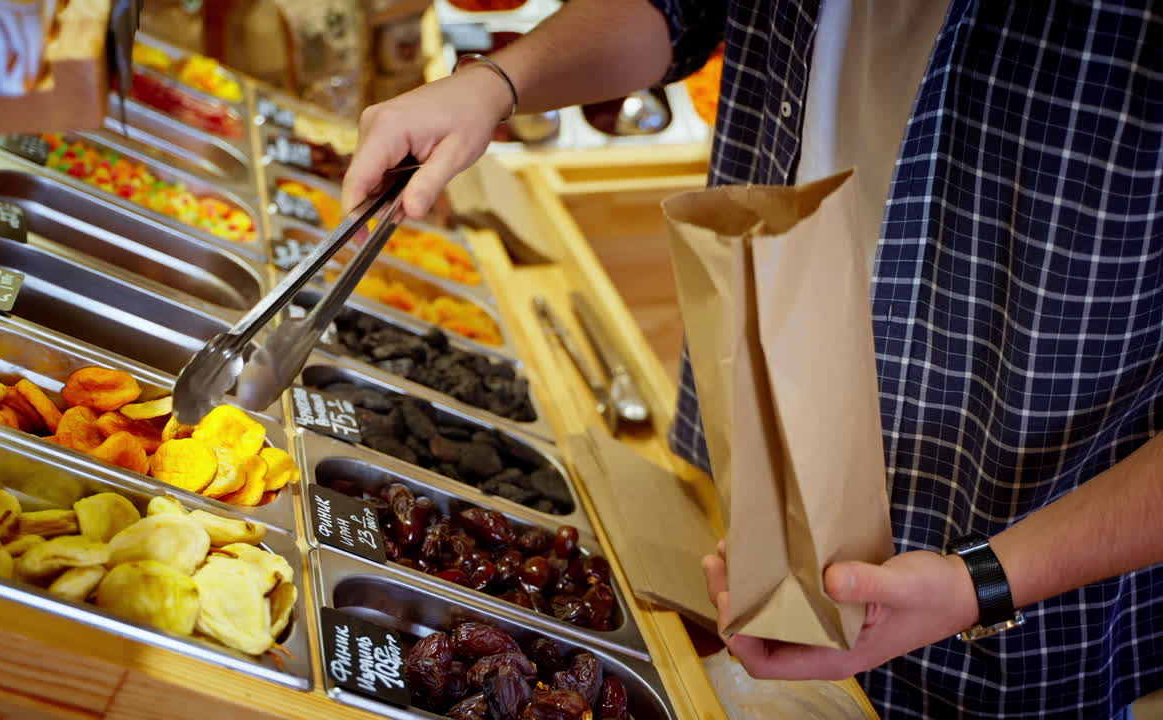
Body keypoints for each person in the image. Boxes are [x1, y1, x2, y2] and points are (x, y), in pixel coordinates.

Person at [342, 1, 1163, 717]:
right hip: (738, 503)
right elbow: (678, 8)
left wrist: (979, 582)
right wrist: (497, 84)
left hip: (1021, 598)